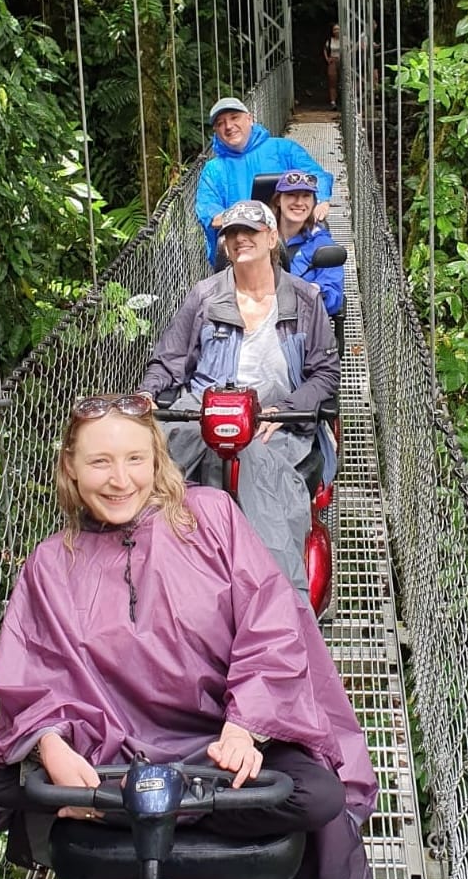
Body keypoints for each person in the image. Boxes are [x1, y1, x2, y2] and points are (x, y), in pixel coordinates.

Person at [0, 396, 377, 879]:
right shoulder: (51, 563)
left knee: (316, 794)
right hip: (115, 757)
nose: (119, 479)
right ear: (72, 470)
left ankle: (138, 817)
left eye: (134, 460)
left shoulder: (210, 518)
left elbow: (271, 623)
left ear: (156, 462)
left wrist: (243, 728)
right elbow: (30, 673)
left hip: (211, 754)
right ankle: (156, 810)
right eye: (100, 462)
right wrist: (51, 747)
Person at [136, 199, 339, 600]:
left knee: (265, 490)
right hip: (201, 416)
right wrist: (147, 392)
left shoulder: (304, 299)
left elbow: (325, 373)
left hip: (273, 423)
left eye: (250, 230)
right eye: (231, 233)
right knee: (138, 475)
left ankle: (282, 607)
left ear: (271, 236)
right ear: (225, 245)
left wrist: (286, 410)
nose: (240, 238)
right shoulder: (204, 296)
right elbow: (170, 361)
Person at [195, 96, 334, 263]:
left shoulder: (282, 149)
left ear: (250, 119)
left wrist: (322, 199)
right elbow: (209, 212)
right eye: (220, 123)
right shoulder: (213, 170)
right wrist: (244, 219)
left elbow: (315, 176)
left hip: (290, 241)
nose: (229, 126)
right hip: (242, 251)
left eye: (234, 118)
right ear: (216, 131)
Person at [271, 170, 345, 317]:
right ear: (278, 200)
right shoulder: (259, 237)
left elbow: (334, 297)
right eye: (291, 195)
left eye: (306, 196)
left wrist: (313, 294)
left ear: (313, 202)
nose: (299, 202)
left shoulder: (322, 244)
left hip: (302, 322)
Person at [323, 24, 341, 109]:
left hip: (342, 61)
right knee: (332, 81)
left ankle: (343, 100)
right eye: (335, 29)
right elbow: (325, 50)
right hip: (333, 61)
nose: (337, 31)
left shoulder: (344, 40)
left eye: (338, 29)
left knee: (344, 81)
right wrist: (327, 59)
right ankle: (333, 102)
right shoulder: (330, 40)